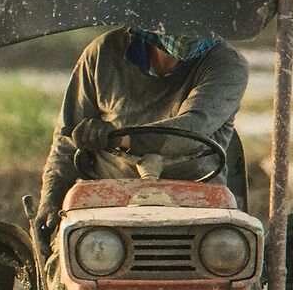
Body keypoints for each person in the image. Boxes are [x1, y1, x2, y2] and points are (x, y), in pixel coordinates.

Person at [36, 26, 249, 240]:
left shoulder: (227, 65)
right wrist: (51, 198)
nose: (186, 26)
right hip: (107, 207)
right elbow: (67, 143)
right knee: (64, 261)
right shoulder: (102, 53)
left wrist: (119, 139)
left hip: (197, 207)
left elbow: (192, 129)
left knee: (228, 258)